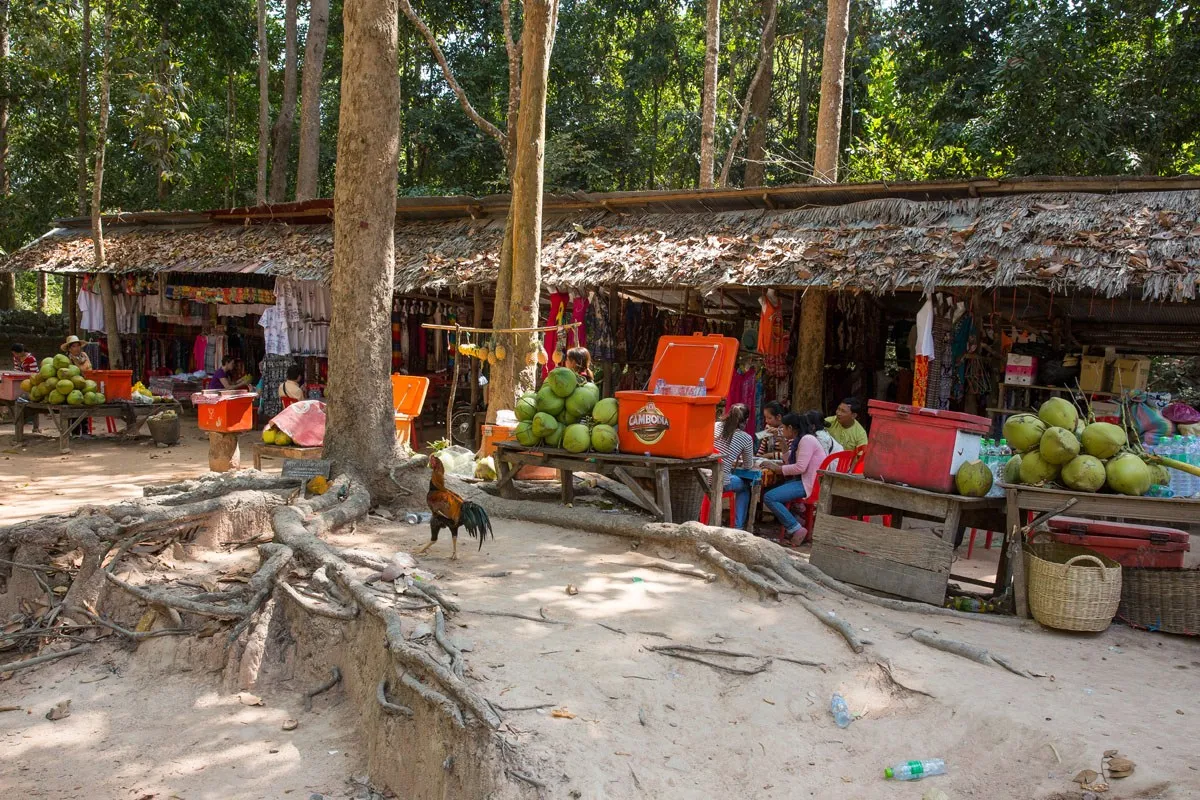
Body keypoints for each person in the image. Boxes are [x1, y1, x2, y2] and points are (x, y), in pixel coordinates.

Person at [762, 412, 826, 544]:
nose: (783, 430)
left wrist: (777, 469)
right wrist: (782, 441)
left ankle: (795, 528)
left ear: (790, 428)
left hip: (809, 483)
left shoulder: (806, 440)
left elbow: (800, 468)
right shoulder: (801, 440)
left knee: (770, 497)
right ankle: (797, 521)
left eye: (784, 428)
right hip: (803, 480)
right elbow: (790, 460)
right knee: (770, 489)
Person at [713, 404, 756, 528]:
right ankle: (738, 527)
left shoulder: (715, 426)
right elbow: (748, 465)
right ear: (746, 420)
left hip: (702, 476)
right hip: (720, 482)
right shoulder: (746, 438)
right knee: (745, 487)